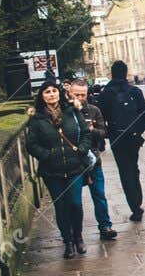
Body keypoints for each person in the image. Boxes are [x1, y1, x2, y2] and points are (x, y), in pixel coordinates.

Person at [25, 75, 94, 258]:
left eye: (54, 90)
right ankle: (68, 241)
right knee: (61, 207)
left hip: (74, 167)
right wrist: (47, 155)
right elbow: (31, 144)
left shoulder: (72, 111)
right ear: (42, 96)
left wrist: (81, 150)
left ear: (59, 93)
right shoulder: (37, 119)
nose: (51, 94)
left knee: (75, 204)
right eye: (47, 92)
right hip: (52, 171)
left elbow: (86, 134)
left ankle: (78, 236)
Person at [97, 60, 145, 221]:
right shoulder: (135, 91)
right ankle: (138, 201)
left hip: (117, 137)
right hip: (134, 137)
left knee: (125, 171)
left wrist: (108, 135)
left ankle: (135, 207)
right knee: (134, 168)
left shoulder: (106, 93)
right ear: (126, 73)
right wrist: (137, 132)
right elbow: (144, 115)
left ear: (111, 74)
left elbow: (101, 117)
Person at [66, 77, 117, 242]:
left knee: (99, 194)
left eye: (83, 94)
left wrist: (93, 130)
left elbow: (104, 133)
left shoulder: (94, 110)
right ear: (70, 93)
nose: (81, 98)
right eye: (77, 95)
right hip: (73, 162)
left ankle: (105, 226)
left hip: (93, 159)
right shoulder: (65, 112)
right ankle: (75, 232)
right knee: (74, 201)